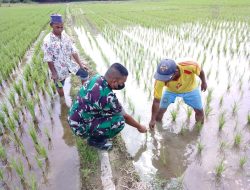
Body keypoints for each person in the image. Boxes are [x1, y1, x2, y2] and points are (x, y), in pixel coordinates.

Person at [68, 63, 147, 150]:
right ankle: (95, 141)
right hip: (79, 127)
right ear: (114, 81)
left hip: (73, 118)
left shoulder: (96, 78)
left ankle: (94, 132)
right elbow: (125, 117)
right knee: (119, 121)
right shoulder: (108, 97)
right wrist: (140, 127)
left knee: (110, 113)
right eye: (122, 83)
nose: (122, 85)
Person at [149, 59, 207, 129]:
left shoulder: (189, 66)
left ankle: (198, 131)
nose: (163, 80)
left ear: (176, 71)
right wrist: (152, 119)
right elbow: (156, 101)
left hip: (190, 89)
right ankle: (158, 128)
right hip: (171, 91)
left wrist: (203, 82)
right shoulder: (160, 80)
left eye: (166, 78)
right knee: (160, 110)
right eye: (162, 77)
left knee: (199, 111)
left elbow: (200, 71)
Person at [42, 14, 88, 97]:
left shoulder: (65, 35)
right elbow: (49, 59)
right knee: (59, 86)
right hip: (58, 68)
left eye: (61, 27)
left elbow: (73, 51)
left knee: (84, 73)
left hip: (70, 64)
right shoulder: (47, 41)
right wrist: (54, 73)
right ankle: (62, 100)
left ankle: (84, 93)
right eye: (57, 27)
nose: (60, 29)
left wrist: (81, 65)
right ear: (51, 26)